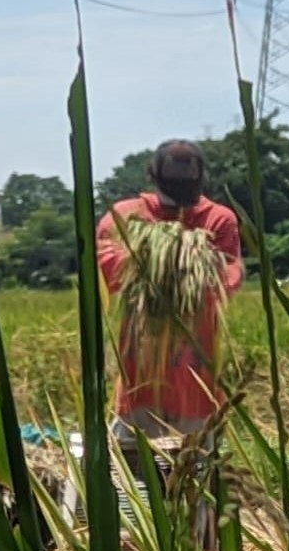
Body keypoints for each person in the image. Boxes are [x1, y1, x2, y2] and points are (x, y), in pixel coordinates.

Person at [96, 139, 243, 443]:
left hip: (195, 378)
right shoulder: (127, 217)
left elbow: (227, 277)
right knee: (131, 467)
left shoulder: (218, 220)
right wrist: (163, 261)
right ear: (154, 177)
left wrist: (172, 264)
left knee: (195, 467)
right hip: (141, 376)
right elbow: (108, 267)